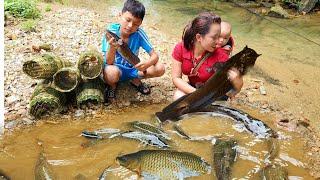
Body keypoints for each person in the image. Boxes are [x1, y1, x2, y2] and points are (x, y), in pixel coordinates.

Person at [101, 0, 165, 102]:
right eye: (127, 20)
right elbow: (109, 62)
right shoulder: (111, 32)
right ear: (119, 16)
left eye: (135, 24)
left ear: (140, 24)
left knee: (160, 68)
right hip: (116, 70)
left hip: (133, 69)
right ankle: (112, 86)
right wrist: (112, 47)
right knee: (110, 73)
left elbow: (155, 56)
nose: (130, 25)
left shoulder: (139, 34)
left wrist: (147, 64)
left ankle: (134, 80)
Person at [171, 12, 243, 101]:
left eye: (219, 36)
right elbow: (176, 78)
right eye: (214, 37)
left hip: (213, 94)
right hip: (195, 88)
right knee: (178, 97)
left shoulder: (222, 56)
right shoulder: (181, 48)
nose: (218, 42)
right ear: (199, 37)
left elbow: (233, 90)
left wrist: (238, 82)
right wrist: (196, 94)